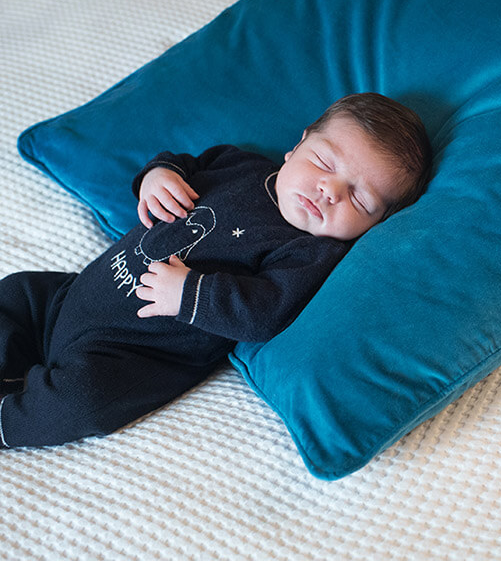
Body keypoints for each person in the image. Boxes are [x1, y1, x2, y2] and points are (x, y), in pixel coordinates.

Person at [0, 92, 431, 448]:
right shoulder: (241, 164)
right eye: (323, 162)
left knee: (83, 401)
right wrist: (158, 176)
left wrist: (188, 294)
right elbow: (186, 163)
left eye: (360, 200)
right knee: (16, 292)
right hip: (71, 297)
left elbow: (264, 313)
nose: (330, 191)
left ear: (376, 225)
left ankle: (11, 414)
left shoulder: (310, 253)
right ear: (297, 146)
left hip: (132, 351)